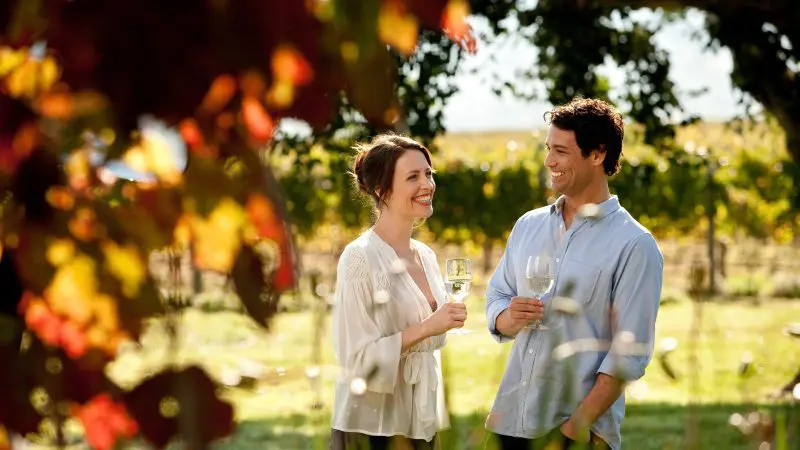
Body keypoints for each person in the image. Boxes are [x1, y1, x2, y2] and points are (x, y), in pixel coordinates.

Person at [484, 98, 664, 450]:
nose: (550, 160)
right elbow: (496, 298)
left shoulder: (634, 244)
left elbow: (628, 355)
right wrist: (508, 318)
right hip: (509, 423)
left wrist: (570, 431)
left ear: (597, 155)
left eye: (562, 151)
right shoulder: (528, 226)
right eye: (549, 149)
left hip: (578, 435)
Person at [329, 133, 467, 450]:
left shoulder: (427, 257)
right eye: (413, 177)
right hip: (372, 426)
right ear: (382, 190)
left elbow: (433, 338)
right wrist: (428, 327)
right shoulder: (359, 257)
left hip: (421, 420)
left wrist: (444, 323)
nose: (427, 184)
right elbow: (356, 358)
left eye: (429, 174)